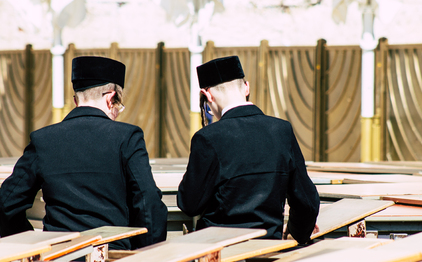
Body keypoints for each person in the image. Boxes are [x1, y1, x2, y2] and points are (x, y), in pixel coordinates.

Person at [0, 56, 167, 250]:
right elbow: (149, 203)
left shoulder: (43, 140)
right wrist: (144, 256)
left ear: (75, 100)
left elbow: (6, 204)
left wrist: (34, 245)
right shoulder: (127, 137)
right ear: (110, 98)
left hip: (58, 261)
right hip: (113, 261)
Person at [177, 55, 320, 244]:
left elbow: (189, 204)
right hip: (269, 249)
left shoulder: (208, 138)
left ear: (208, 95)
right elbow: (307, 202)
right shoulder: (282, 130)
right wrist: (295, 232)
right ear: (246, 87)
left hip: (221, 254)